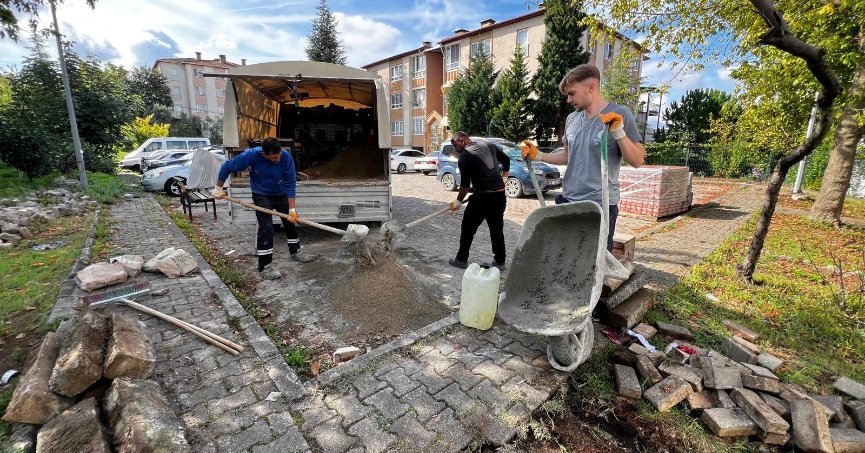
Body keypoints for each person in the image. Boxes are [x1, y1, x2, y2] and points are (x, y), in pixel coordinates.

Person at [522, 64, 645, 251]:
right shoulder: (572, 119)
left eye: (572, 93)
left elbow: (637, 160)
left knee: (594, 260)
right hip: (568, 200)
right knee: (563, 255)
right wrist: (539, 155)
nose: (569, 100)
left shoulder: (620, 114)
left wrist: (619, 133)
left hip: (600, 204)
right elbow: (567, 156)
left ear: (591, 87)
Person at [212, 137, 315, 280]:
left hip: (281, 193)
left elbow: (291, 183)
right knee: (266, 228)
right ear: (264, 154)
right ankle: (264, 266)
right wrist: (218, 188)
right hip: (261, 194)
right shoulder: (251, 155)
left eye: (278, 155)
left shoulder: (286, 158)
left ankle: (296, 251)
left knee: (291, 222)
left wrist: (292, 209)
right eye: (273, 157)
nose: (277, 159)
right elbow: (227, 166)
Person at [447, 131, 511, 270]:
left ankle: (461, 260)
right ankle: (500, 262)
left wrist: (458, 202)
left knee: (467, 228)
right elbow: (506, 160)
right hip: (499, 195)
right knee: (496, 229)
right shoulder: (487, 144)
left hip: (482, 198)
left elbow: (464, 187)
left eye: (455, 145)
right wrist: (504, 177)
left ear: (462, 140)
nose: (455, 149)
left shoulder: (464, 157)